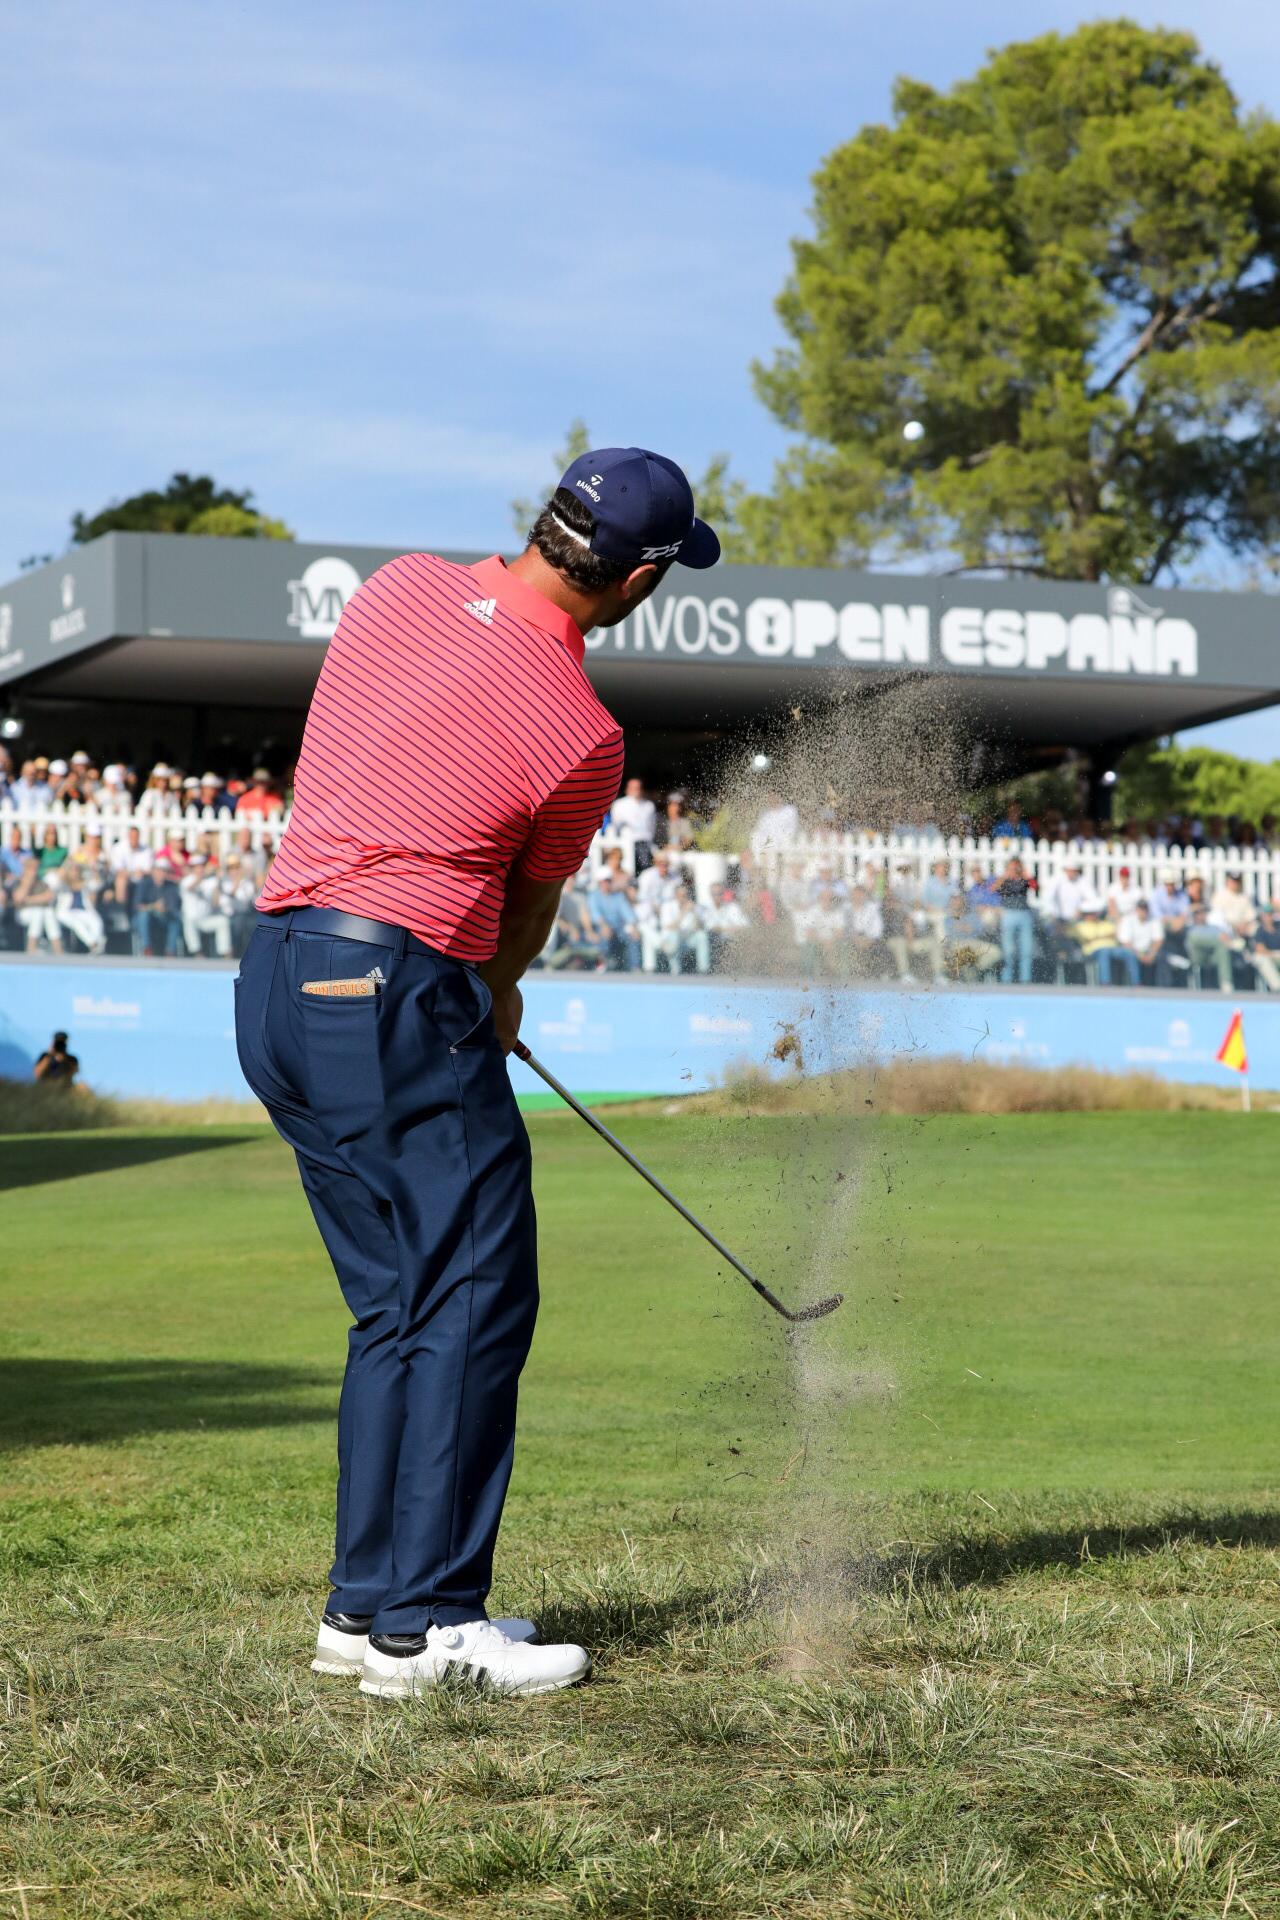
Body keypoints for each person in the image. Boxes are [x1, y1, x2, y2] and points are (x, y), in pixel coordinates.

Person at [238, 442, 719, 1700]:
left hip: (277, 977)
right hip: (397, 991)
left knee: (395, 1304)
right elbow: (523, 908)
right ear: (636, 583)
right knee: (470, 1295)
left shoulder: (393, 586)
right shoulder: (584, 732)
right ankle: (431, 1624)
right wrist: (492, 993)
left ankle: (361, 1608)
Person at [587, 870, 641, 971]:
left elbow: (627, 913)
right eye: (603, 881)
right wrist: (604, 925)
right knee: (603, 933)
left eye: (607, 881)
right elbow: (595, 914)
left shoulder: (618, 896)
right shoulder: (594, 895)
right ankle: (602, 965)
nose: (605, 884)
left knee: (633, 936)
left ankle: (635, 967)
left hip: (618, 928)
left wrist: (633, 927)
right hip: (601, 927)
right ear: (599, 883)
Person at [996, 856, 1035, 984]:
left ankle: (1025, 979)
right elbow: (993, 889)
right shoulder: (1005, 879)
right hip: (1008, 914)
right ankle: (1006, 979)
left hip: (1024, 914)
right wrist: (1006, 875)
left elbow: (1035, 887)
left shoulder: (1024, 879)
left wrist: (1027, 875)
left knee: (1026, 949)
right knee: (1008, 950)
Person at [608, 777, 656, 865]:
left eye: (638, 788)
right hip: (625, 842)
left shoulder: (649, 806)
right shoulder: (619, 804)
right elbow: (616, 826)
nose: (637, 790)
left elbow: (652, 827)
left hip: (645, 843)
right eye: (634, 788)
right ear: (627, 789)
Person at [1117, 899, 1163, 986]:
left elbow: (1158, 940)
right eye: (1141, 909)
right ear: (1136, 910)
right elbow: (1126, 943)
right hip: (1132, 951)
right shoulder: (1128, 919)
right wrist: (1140, 955)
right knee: (1130, 956)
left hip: (1149, 951)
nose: (1143, 912)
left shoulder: (1154, 920)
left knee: (1162, 957)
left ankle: (1162, 988)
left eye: (1145, 909)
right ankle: (1136, 984)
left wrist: (1151, 954)